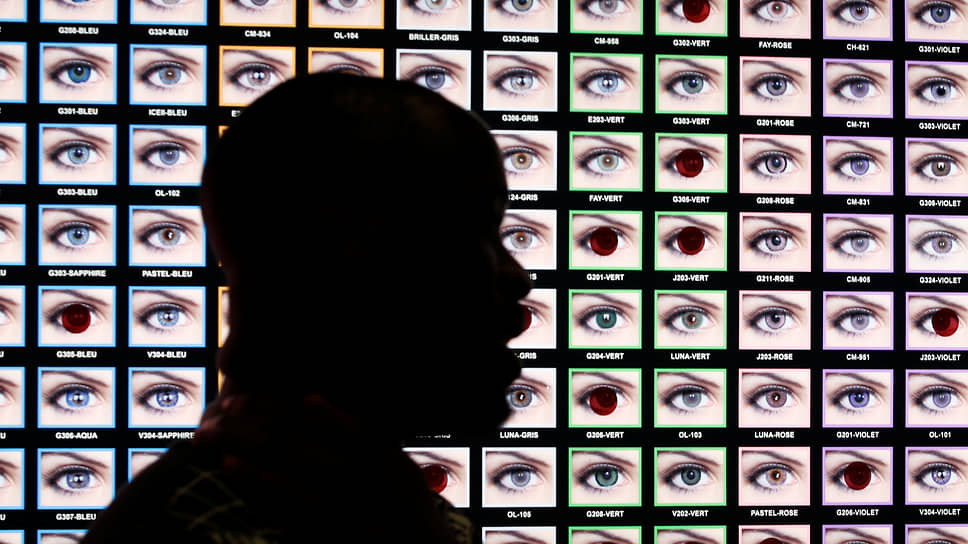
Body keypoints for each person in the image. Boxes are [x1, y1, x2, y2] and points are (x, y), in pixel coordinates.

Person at [80, 72, 531, 544]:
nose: (516, 276)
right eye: (475, 232)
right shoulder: (209, 529)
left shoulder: (375, 506)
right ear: (343, 259)